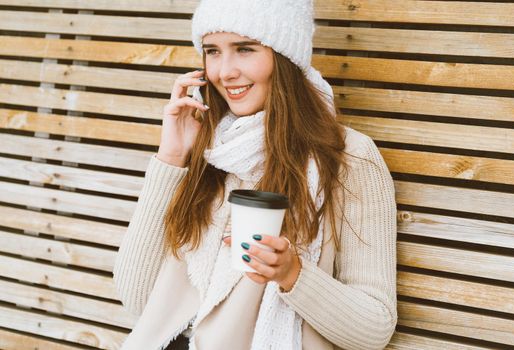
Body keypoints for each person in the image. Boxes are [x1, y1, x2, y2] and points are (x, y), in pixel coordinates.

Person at [112, 0, 398, 349]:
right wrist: (172, 158)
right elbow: (138, 300)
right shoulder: (208, 148)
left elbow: (374, 329)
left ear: (284, 57)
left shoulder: (348, 157)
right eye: (212, 51)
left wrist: (292, 274)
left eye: (245, 49)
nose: (225, 71)